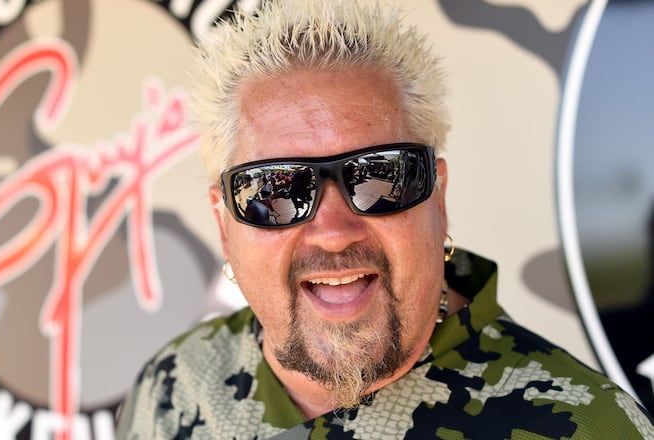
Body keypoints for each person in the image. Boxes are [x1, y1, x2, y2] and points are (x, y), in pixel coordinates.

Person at [116, 1, 654, 438]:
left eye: (380, 177)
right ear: (225, 225)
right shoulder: (175, 384)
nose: (332, 230)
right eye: (277, 190)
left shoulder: (588, 426)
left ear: (438, 200)